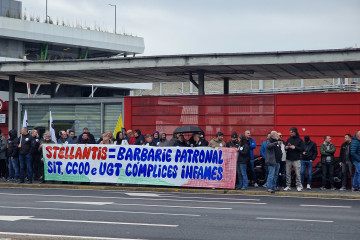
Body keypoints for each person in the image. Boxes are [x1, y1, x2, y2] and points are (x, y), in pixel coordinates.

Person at [284, 127, 304, 192]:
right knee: (287, 173)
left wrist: (295, 147)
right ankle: (288, 186)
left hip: (296, 159)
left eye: (292, 132)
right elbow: (285, 147)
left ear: (295, 132)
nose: (290, 133)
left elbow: (302, 149)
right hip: (288, 158)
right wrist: (286, 147)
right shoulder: (288, 139)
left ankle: (298, 186)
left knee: (298, 173)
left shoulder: (300, 140)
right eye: (290, 132)